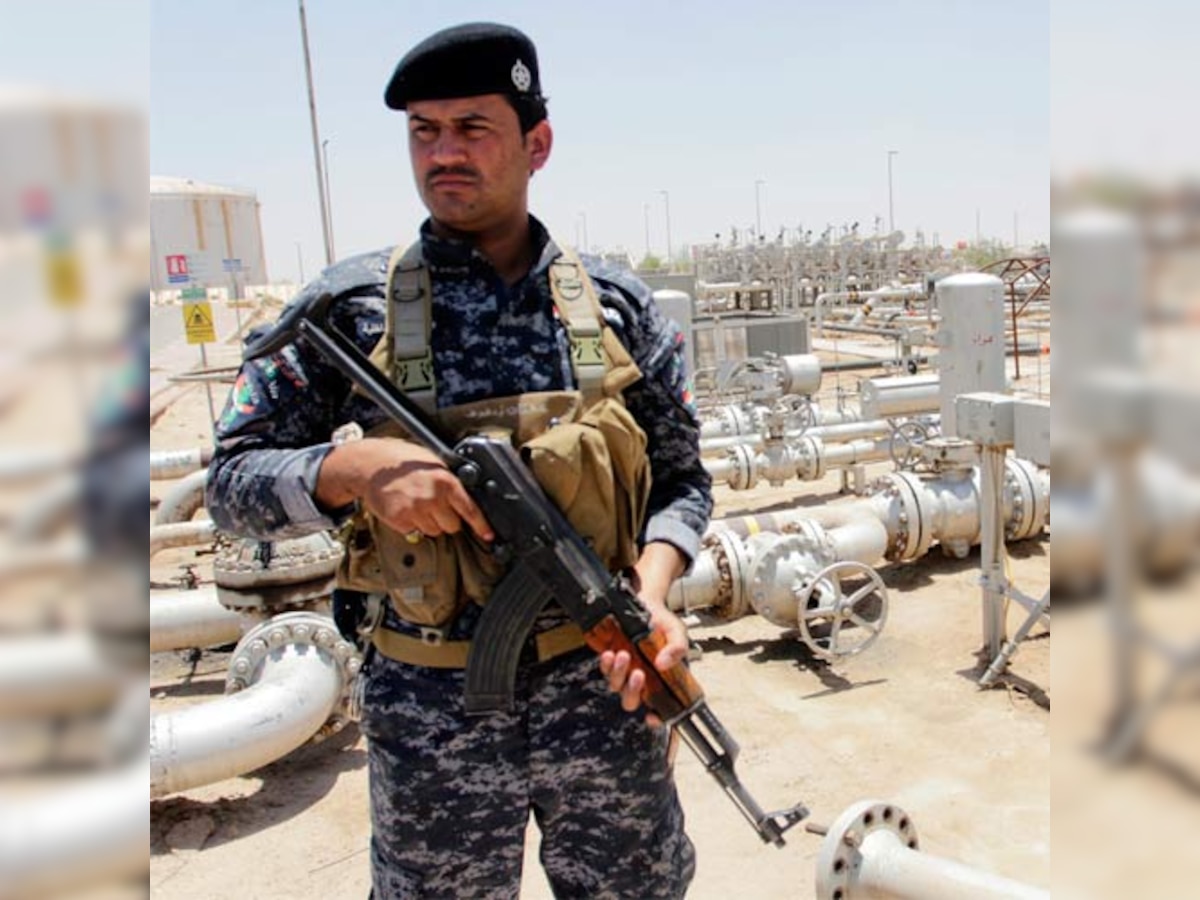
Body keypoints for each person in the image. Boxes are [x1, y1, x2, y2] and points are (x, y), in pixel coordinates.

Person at [207, 21, 712, 899]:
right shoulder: (347, 308)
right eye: (423, 131)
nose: (444, 152)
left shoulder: (618, 309)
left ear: (536, 143)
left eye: (473, 128)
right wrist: (354, 473)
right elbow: (230, 482)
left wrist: (652, 589)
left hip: (603, 695)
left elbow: (682, 482)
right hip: (430, 710)